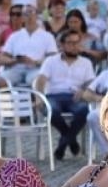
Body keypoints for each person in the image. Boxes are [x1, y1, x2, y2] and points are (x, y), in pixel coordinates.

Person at [35, 29, 96, 158]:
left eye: (77, 43)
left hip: (75, 97)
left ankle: (64, 142)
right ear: (62, 45)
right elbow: (40, 80)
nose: (74, 46)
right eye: (70, 43)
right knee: (52, 110)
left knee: (84, 110)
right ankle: (70, 139)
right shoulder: (50, 61)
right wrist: (38, 97)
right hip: (53, 96)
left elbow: (91, 83)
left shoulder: (86, 63)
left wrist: (84, 90)